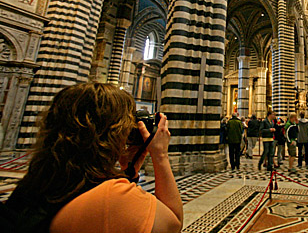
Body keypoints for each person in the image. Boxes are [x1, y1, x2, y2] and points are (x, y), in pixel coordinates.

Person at [6, 83, 183, 233]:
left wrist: (128, 174)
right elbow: (172, 224)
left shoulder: (37, 182)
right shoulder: (111, 197)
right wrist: (160, 156)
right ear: (114, 132)